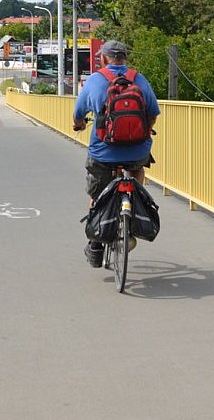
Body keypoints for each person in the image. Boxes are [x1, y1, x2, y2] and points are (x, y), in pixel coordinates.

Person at [72, 40, 161, 268]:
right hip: (137, 149)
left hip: (103, 152)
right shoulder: (139, 79)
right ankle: (133, 206)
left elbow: (78, 113)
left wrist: (79, 124)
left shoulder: (95, 80)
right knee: (137, 168)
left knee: (97, 192)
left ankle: (95, 245)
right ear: (125, 58)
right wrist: (144, 132)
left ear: (103, 58)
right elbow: (153, 112)